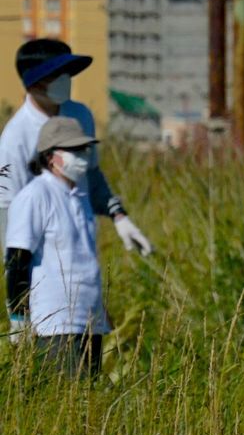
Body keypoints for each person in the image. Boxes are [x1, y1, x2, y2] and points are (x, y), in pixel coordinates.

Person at [0, 39, 155, 259]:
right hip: (42, 254)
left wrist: (119, 216)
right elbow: (6, 207)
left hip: (83, 241)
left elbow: (90, 173)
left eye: (67, 73)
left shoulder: (80, 115)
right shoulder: (15, 137)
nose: (65, 80)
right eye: (55, 75)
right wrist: (17, 272)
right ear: (33, 84)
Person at [4, 116, 110, 376]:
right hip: (55, 323)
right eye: (73, 150)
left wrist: (99, 308)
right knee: (67, 397)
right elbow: (17, 258)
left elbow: (82, 259)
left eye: (84, 149)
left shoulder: (79, 196)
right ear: (51, 156)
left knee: (89, 400)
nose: (82, 156)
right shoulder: (35, 195)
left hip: (89, 321)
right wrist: (19, 318)